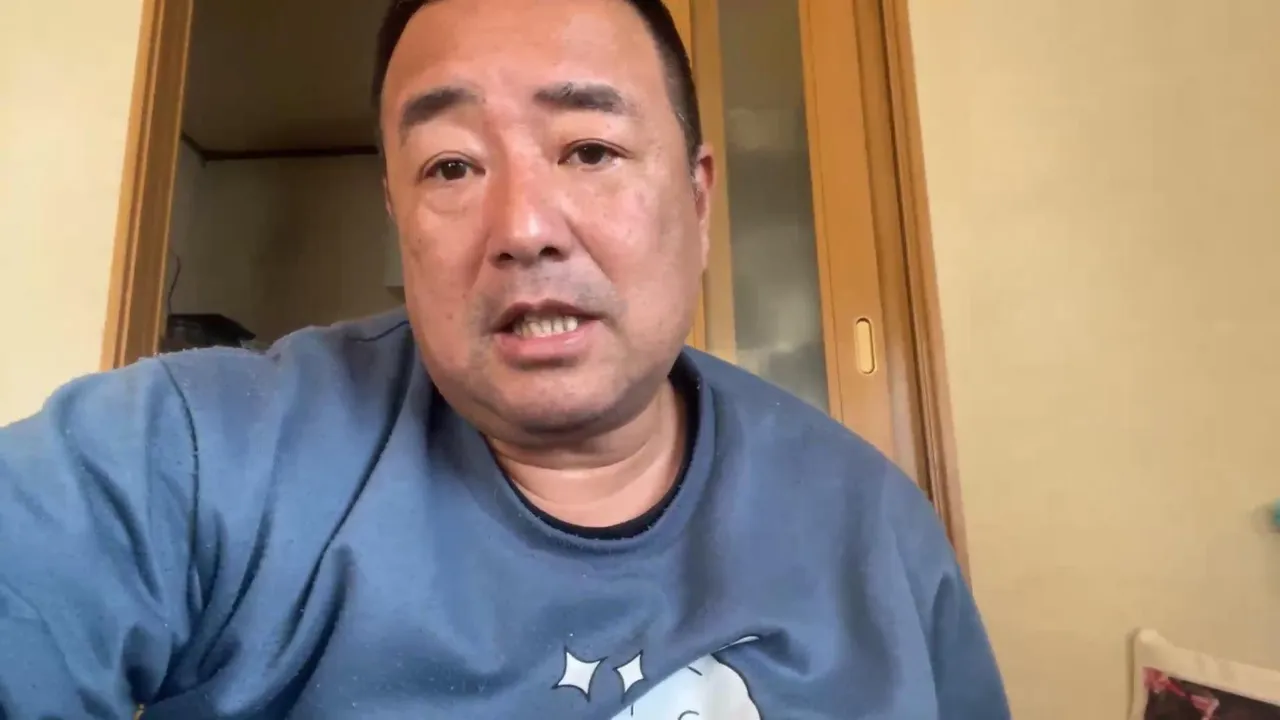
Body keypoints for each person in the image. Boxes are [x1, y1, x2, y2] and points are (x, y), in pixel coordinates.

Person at [0, 0, 1010, 717]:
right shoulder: (199, 453)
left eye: (589, 150)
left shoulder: (875, 532)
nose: (524, 228)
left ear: (698, 199)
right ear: (399, 217)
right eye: (451, 167)